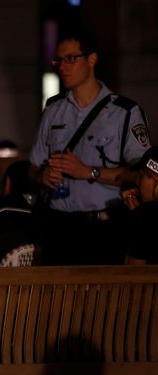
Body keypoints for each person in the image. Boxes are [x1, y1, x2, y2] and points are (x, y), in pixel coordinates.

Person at [29, 29, 151, 265]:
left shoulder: (125, 113)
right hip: (58, 227)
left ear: (92, 59)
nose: (63, 66)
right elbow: (32, 167)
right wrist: (42, 175)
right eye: (58, 60)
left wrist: (89, 172)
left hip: (104, 229)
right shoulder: (54, 110)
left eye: (71, 59)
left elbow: (142, 175)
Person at [124, 147, 158, 264]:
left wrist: (137, 218)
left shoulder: (144, 216)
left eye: (141, 176)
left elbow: (133, 274)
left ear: (155, 179)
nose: (137, 182)